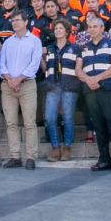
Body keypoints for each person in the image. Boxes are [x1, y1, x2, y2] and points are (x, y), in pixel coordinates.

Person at [76, 13, 111, 173]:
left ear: (102, 28)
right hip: (90, 91)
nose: (91, 29)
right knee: (98, 125)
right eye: (89, 27)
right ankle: (104, 159)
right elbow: (78, 69)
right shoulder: (83, 47)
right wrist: (88, 80)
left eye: (95, 26)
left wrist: (97, 78)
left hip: (107, 89)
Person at [0, 9, 41, 169]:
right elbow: (2, 63)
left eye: (17, 20)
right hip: (8, 86)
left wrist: (19, 79)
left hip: (27, 85)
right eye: (13, 20)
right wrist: (9, 79)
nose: (14, 23)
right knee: (11, 123)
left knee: (29, 122)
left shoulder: (35, 41)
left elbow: (34, 64)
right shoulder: (8, 42)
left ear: (26, 22)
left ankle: (31, 157)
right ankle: (15, 156)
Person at [42, 19, 80, 161]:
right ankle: (55, 147)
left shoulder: (75, 48)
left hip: (69, 86)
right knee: (50, 118)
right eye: (56, 28)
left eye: (61, 28)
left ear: (67, 31)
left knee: (68, 117)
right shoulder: (50, 48)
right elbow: (46, 69)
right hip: (52, 86)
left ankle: (67, 147)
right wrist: (41, 56)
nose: (57, 30)